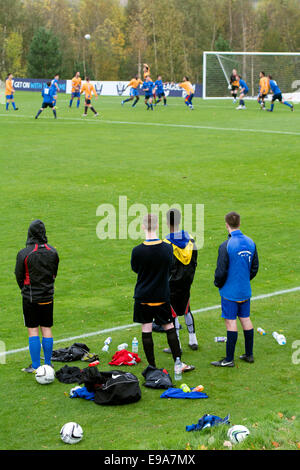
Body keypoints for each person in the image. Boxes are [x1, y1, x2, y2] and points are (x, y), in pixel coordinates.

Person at [131, 214, 194, 372]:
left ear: (143, 227)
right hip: (161, 295)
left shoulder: (137, 251)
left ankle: (152, 366)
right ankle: (178, 363)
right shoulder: (167, 248)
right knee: (169, 326)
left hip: (143, 295)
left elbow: (136, 269)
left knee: (146, 328)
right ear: (158, 226)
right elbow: (170, 266)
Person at [212, 212, 259, 367]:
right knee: (245, 319)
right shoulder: (251, 242)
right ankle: (249, 354)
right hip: (245, 290)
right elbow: (254, 267)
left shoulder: (226, 246)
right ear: (239, 223)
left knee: (231, 322)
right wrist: (245, 279)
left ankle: (229, 359)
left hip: (230, 292)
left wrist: (218, 283)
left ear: (227, 224)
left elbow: (221, 271)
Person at [15, 220, 59, 373]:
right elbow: (54, 273)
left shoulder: (24, 253)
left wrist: (25, 289)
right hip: (48, 296)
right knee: (46, 328)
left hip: (31, 297)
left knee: (33, 329)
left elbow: (19, 275)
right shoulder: (53, 251)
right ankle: (48, 364)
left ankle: (35, 366)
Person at [163, 208, 198, 353]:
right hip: (186, 282)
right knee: (186, 308)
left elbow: (164, 266)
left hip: (171, 283)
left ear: (167, 222)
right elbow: (194, 261)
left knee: (173, 313)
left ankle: (177, 345)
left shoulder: (166, 243)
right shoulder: (190, 239)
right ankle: (193, 339)